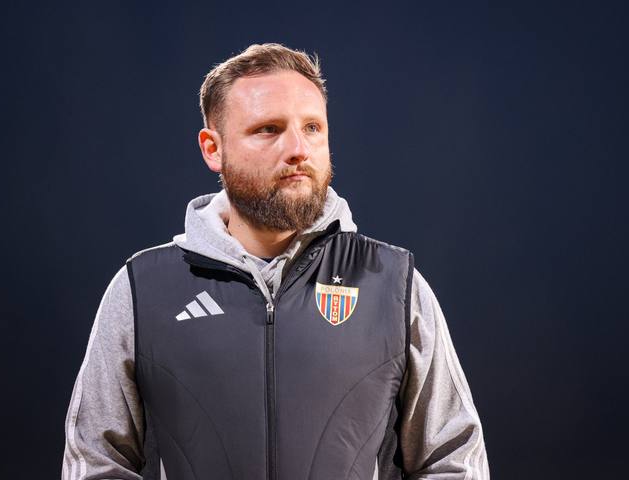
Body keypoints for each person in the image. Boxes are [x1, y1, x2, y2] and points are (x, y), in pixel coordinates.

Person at [62, 43, 489, 480]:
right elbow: (96, 463)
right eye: (269, 129)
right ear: (213, 149)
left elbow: (453, 459)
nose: (298, 149)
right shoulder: (144, 290)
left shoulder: (393, 285)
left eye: (312, 128)